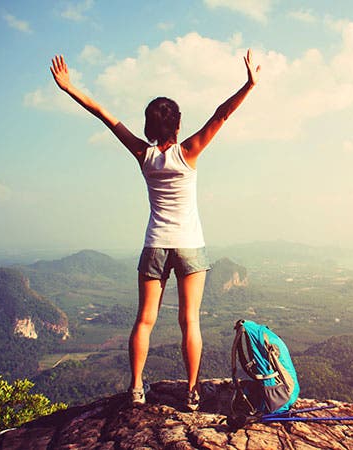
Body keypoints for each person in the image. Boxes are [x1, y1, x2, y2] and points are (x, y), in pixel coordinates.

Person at [50, 49, 260, 410]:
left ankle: (135, 389)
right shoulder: (189, 151)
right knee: (189, 320)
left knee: (145, 320)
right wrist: (249, 85)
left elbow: (104, 115)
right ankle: (192, 393)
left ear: (149, 128)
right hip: (190, 245)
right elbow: (220, 115)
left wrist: (69, 87)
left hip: (155, 245)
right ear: (177, 125)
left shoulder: (143, 155)